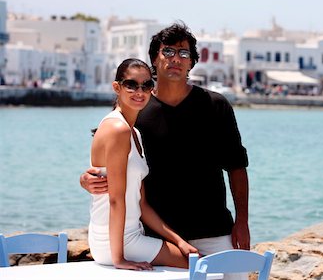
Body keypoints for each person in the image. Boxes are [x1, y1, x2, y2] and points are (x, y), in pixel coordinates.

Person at [81, 23, 250, 279]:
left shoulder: (216, 106)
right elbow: (106, 156)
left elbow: (237, 166)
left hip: (214, 232)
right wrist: (87, 178)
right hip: (155, 238)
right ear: (153, 59)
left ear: (192, 62)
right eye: (168, 51)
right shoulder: (135, 110)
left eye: (184, 53)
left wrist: (242, 222)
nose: (175, 59)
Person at [88, 58, 197, 271]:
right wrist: (119, 259)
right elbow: (116, 200)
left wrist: (179, 241)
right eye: (131, 85)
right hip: (116, 241)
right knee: (197, 267)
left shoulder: (134, 133)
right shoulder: (117, 129)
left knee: (192, 259)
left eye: (147, 85)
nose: (140, 91)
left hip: (130, 235)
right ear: (117, 87)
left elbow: (142, 205)